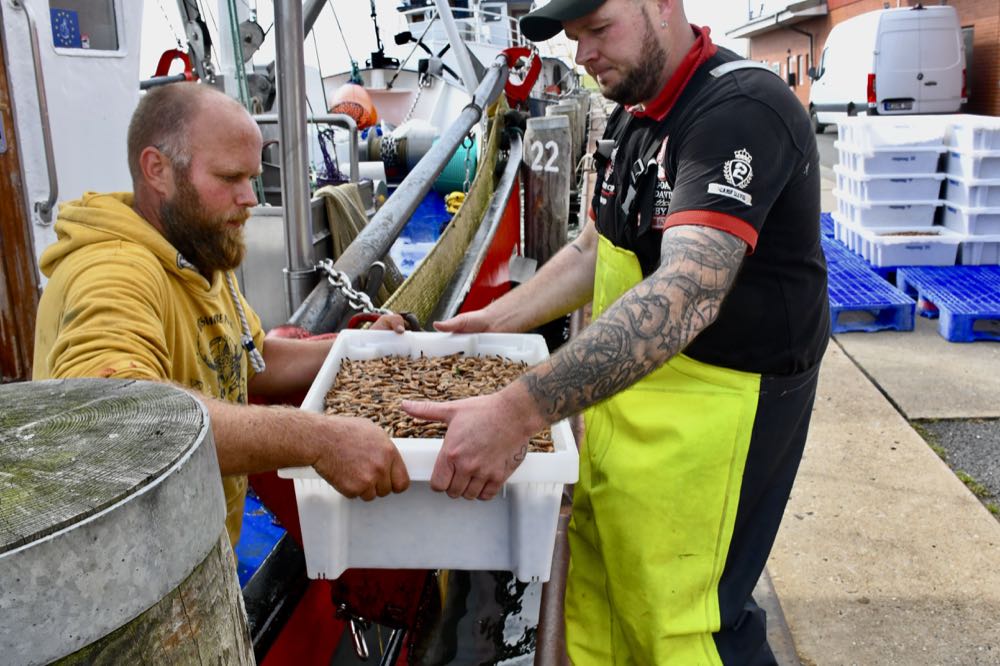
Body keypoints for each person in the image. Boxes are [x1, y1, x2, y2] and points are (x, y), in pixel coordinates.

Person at [402, 0, 830, 662]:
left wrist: (516, 411)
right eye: (575, 38)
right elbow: (592, 249)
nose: (583, 56)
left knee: (688, 623)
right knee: (607, 589)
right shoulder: (635, 112)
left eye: (598, 30)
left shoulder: (741, 111)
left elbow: (687, 293)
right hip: (629, 398)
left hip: (720, 414)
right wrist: (487, 324)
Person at [33, 83, 410, 547]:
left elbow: (250, 359)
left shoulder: (194, 250)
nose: (250, 197)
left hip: (197, 551)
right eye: (230, 178)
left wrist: (356, 348)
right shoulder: (113, 271)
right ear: (157, 170)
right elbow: (115, 416)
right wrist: (318, 439)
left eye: (251, 177)